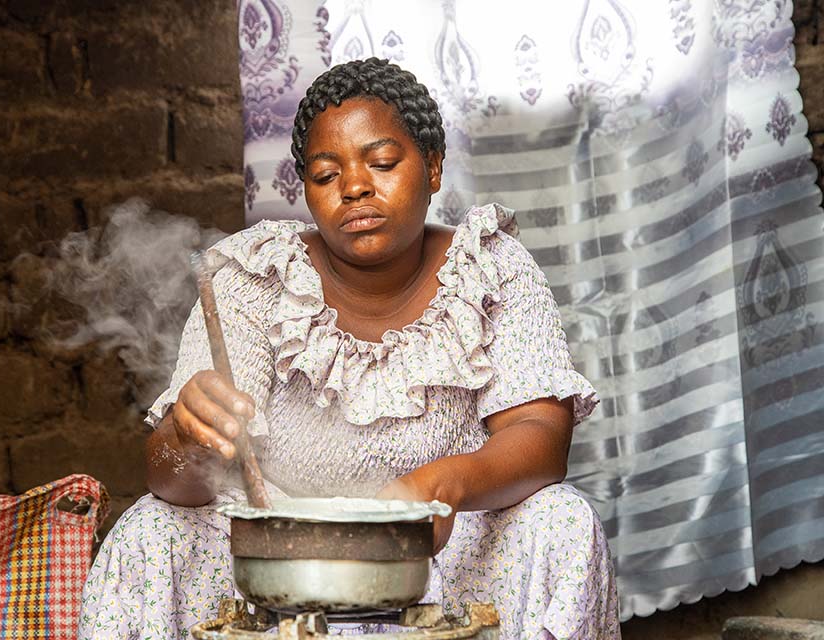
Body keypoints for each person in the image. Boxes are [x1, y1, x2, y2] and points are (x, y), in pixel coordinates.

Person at [79, 57, 620, 640]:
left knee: (562, 520)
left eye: (383, 162)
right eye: (325, 174)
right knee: (150, 530)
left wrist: (444, 485)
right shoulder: (255, 280)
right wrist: (189, 438)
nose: (356, 187)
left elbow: (540, 433)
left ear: (433, 167)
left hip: (446, 551)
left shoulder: (490, 268)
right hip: (279, 558)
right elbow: (172, 481)